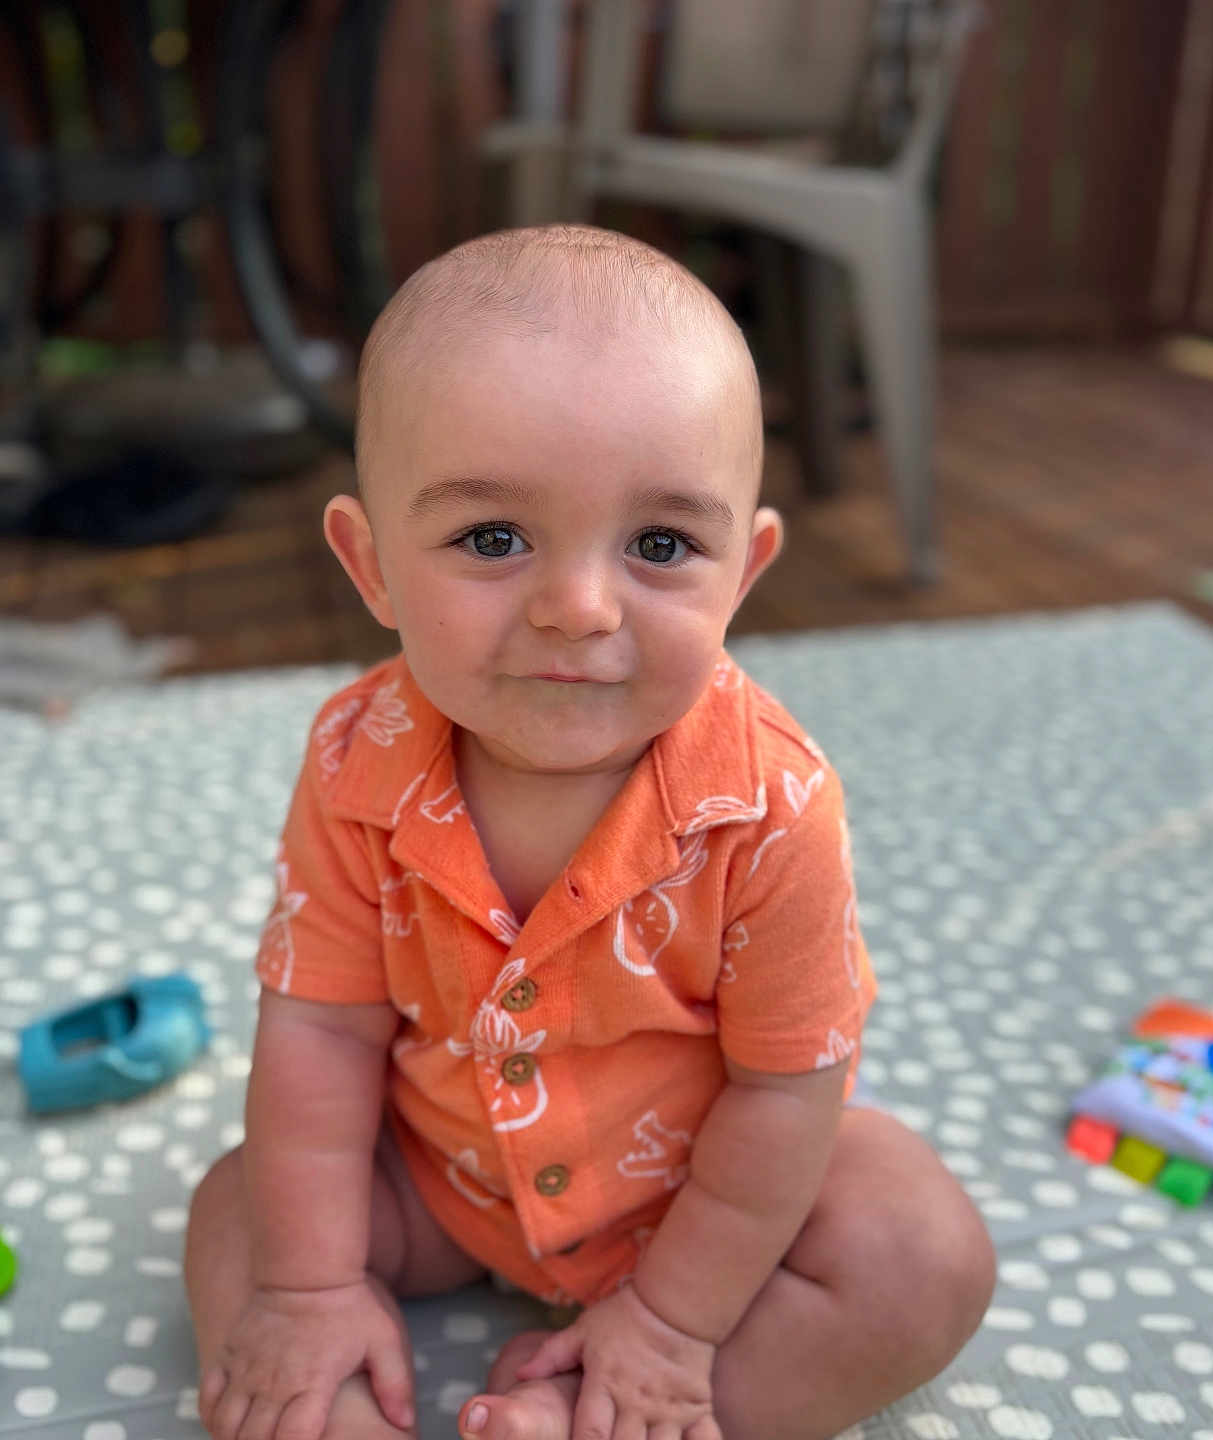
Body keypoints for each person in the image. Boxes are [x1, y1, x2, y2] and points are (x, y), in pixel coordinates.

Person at [184, 223, 994, 1440]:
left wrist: (675, 1322)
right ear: (372, 566)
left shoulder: (772, 805)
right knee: (237, 1212)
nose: (577, 608)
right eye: (492, 539)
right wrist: (309, 1284)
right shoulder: (356, 761)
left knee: (921, 1250)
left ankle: (608, 1415)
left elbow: (787, 1091)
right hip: (439, 1185)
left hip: (705, 1211)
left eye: (661, 545)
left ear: (745, 570)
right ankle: (337, 1404)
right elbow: (319, 1031)